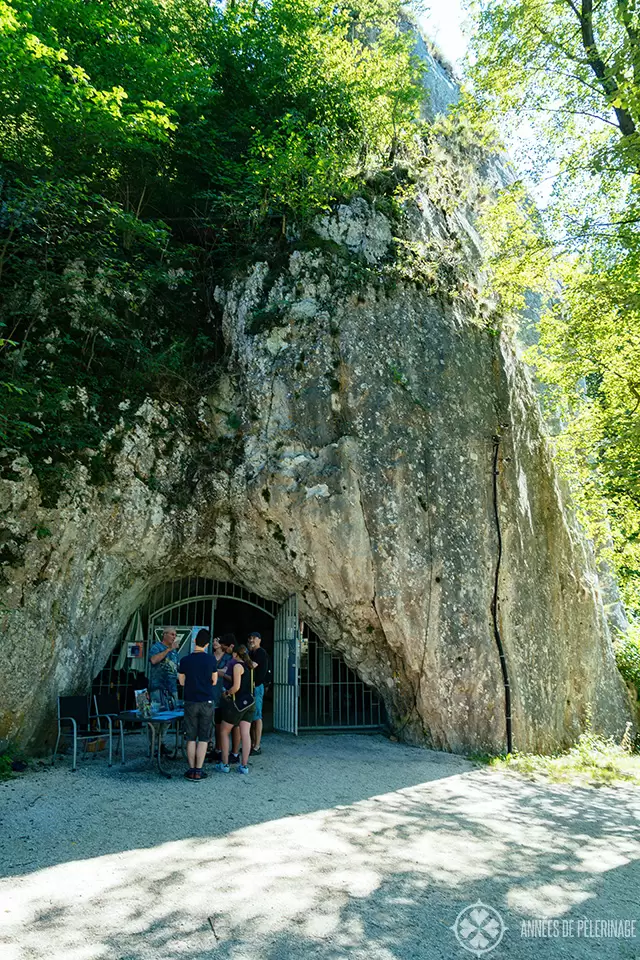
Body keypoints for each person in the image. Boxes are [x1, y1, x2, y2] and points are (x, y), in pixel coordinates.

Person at [178, 629, 218, 782]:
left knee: (190, 737)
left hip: (190, 701)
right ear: (207, 644)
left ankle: (191, 769)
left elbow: (181, 682)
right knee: (203, 737)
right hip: (206, 701)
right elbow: (214, 681)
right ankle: (199, 771)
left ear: (194, 641)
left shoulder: (185, 660)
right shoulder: (211, 660)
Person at [214, 645, 255, 775]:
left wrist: (227, 693)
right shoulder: (250, 666)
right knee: (245, 733)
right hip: (249, 703)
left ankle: (224, 764)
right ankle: (244, 765)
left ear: (235, 654)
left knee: (224, 731)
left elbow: (236, 687)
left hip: (237, 703)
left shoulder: (238, 666)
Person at [148, 627, 179, 752]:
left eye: (175, 635)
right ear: (164, 635)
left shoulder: (175, 652)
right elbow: (153, 660)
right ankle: (153, 745)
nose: (174, 637)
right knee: (156, 718)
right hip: (158, 688)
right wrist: (169, 650)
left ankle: (161, 743)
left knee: (168, 718)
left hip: (172, 689)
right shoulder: (156, 647)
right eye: (172, 634)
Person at [208, 635, 233, 763]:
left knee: (220, 723)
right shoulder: (209, 656)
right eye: (213, 641)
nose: (215, 643)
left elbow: (228, 672)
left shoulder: (228, 658)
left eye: (217, 641)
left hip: (223, 692)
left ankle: (219, 748)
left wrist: (213, 670)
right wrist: (219, 671)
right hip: (210, 691)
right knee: (208, 722)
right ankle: (210, 746)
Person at [247, 631, 270, 755]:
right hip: (252, 687)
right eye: (250, 638)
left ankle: (257, 746)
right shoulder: (252, 652)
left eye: (254, 638)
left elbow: (252, 666)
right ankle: (251, 744)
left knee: (257, 716)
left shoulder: (260, 652)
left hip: (257, 686)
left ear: (259, 640)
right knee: (251, 716)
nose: (251, 640)